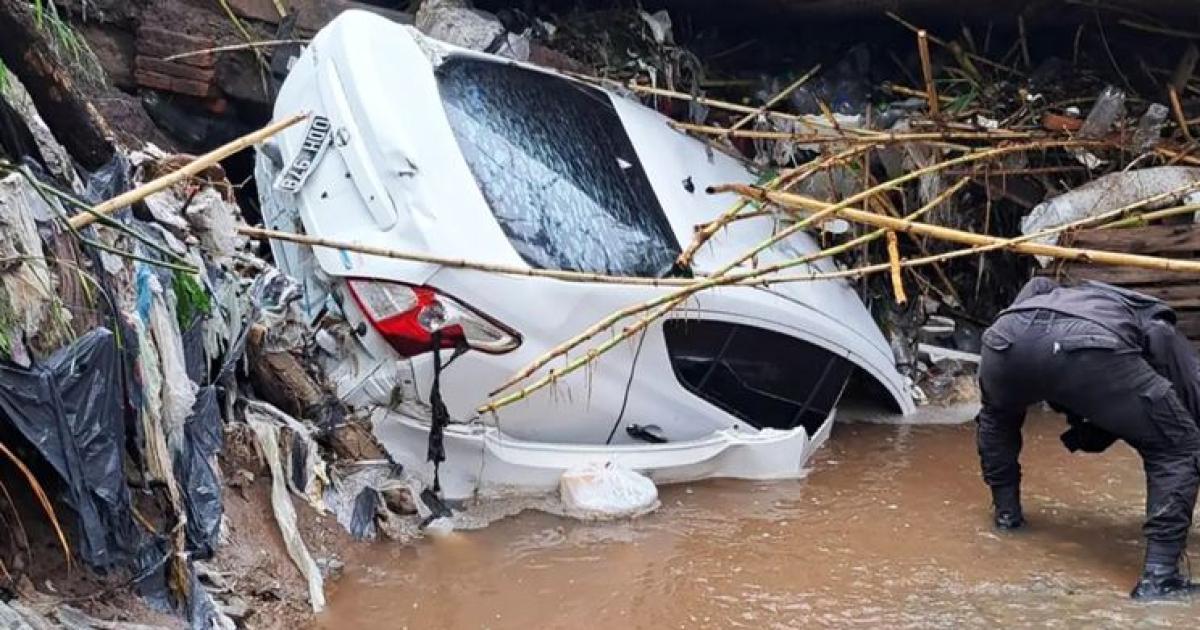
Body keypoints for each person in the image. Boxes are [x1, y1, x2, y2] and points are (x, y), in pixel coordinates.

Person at [976, 277, 1200, 599]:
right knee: (1179, 447)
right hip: (1089, 345)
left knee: (997, 417)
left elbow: (1031, 296)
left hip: (1004, 338)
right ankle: (1160, 579)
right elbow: (1184, 379)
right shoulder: (1151, 315)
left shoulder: (1049, 291)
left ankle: (1007, 518)